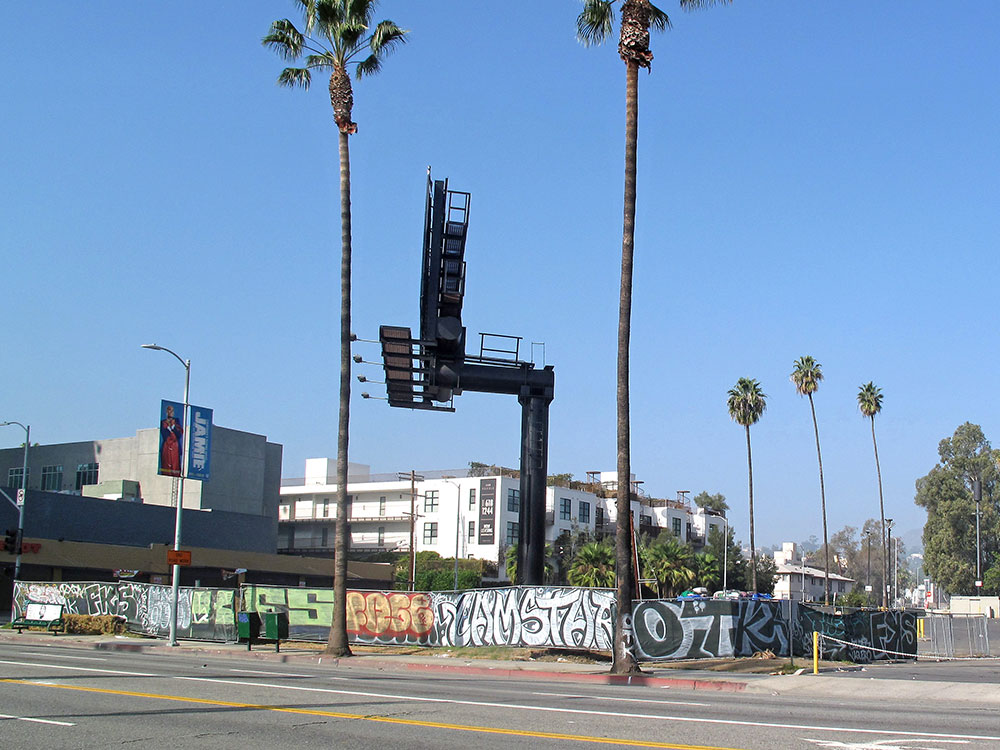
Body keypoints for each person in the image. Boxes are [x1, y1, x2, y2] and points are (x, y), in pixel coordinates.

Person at [159, 404, 183, 477]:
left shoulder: (176, 421)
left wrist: (172, 427)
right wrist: (169, 429)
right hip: (166, 447)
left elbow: (179, 433)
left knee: (175, 464)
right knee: (166, 464)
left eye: (172, 411)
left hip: (175, 447)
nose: (172, 412)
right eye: (170, 411)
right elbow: (164, 434)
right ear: (167, 412)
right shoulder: (163, 422)